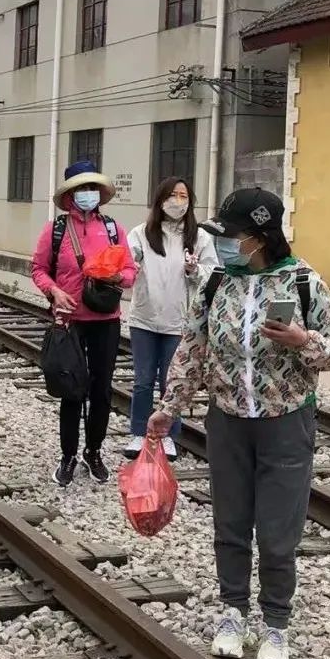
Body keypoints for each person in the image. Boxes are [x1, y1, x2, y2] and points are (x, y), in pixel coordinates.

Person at [148, 187, 330, 659]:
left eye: (233, 236)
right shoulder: (217, 285)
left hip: (287, 421)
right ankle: (233, 613)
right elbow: (192, 349)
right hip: (228, 420)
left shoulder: (305, 283)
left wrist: (303, 340)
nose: (226, 244)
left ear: (259, 238)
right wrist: (169, 407)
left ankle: (276, 623)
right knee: (230, 525)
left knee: (279, 534)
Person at [31, 160, 137, 487]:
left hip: (106, 320)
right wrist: (54, 292)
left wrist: (118, 276)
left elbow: (131, 272)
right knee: (71, 390)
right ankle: (68, 454)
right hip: (70, 321)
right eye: (81, 189)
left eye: (92, 188)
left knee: (102, 390)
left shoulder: (112, 229)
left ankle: (94, 451)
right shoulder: (56, 230)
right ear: (70, 195)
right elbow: (38, 269)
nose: (88, 194)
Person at [124, 177, 218, 462]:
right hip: (144, 318)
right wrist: (131, 267)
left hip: (179, 321)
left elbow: (213, 273)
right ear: (160, 199)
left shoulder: (199, 237)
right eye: (172, 195)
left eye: (183, 196)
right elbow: (126, 263)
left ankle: (168, 437)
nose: (177, 201)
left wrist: (194, 270)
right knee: (142, 380)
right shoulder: (141, 233)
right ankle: (139, 432)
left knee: (172, 382)